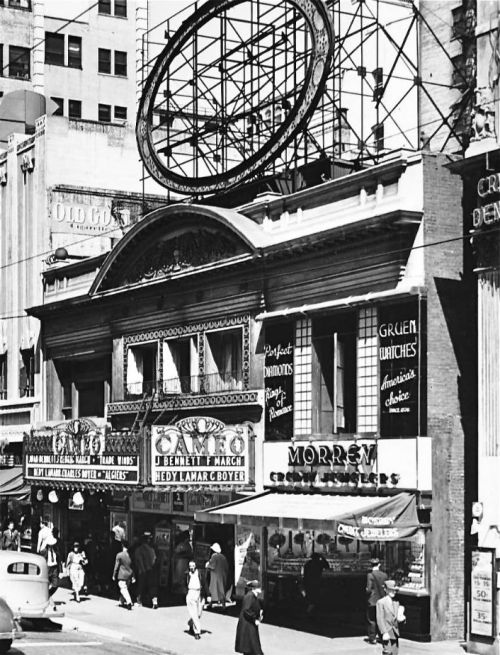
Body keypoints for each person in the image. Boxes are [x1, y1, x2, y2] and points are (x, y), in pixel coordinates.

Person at [235, 580, 264, 655]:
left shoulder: (252, 596)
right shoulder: (250, 596)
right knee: (252, 646)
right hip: (248, 624)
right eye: (258, 587)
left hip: (249, 624)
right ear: (254, 588)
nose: (260, 589)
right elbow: (246, 610)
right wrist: (254, 619)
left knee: (250, 647)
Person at [376, 580, 404, 655]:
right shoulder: (381, 602)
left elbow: (398, 617)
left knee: (395, 652)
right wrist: (384, 632)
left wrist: (402, 618)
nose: (393, 592)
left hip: (395, 632)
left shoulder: (396, 603)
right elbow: (380, 619)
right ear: (386, 590)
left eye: (394, 590)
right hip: (387, 632)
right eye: (391, 590)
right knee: (387, 652)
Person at [185, 559, 210, 640]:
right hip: (191, 593)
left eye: (193, 566)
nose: (191, 568)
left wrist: (208, 595)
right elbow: (183, 584)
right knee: (194, 613)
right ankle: (197, 632)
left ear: (195, 566)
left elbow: (204, 584)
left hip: (199, 593)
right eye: (190, 566)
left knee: (198, 614)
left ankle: (190, 623)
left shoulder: (200, 574)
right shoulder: (187, 574)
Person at [366, 557, 388, 644]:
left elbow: (368, 589)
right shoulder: (385, 575)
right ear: (379, 565)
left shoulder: (370, 575)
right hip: (382, 600)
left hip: (372, 601)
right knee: (381, 618)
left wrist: (366, 590)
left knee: (372, 619)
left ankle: (372, 638)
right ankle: (382, 636)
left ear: (371, 565)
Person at [134, 532, 158, 609]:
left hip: (143, 570)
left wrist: (142, 569)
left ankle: (139, 602)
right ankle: (154, 601)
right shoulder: (151, 549)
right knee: (152, 586)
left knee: (141, 586)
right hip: (151, 569)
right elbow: (154, 559)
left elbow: (139, 561)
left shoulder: (139, 549)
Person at [113, 540, 134, 610]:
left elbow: (116, 566)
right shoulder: (131, 555)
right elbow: (133, 566)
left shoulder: (119, 555)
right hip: (129, 574)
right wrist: (133, 576)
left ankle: (129, 602)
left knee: (123, 589)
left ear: (122, 546)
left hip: (122, 574)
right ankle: (121, 601)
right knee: (125, 588)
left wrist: (114, 574)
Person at [205, 542, 229, 607]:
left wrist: (207, 565)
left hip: (215, 575)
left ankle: (210, 603)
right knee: (222, 589)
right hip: (223, 575)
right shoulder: (223, 557)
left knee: (212, 589)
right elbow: (226, 567)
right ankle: (223, 604)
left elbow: (212, 566)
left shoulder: (214, 556)